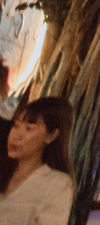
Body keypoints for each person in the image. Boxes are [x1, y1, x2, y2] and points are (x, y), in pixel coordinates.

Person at [2, 96, 76, 225]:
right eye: (16, 125)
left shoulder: (57, 185)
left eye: (28, 128)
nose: (16, 136)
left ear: (51, 135)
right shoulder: (5, 171)